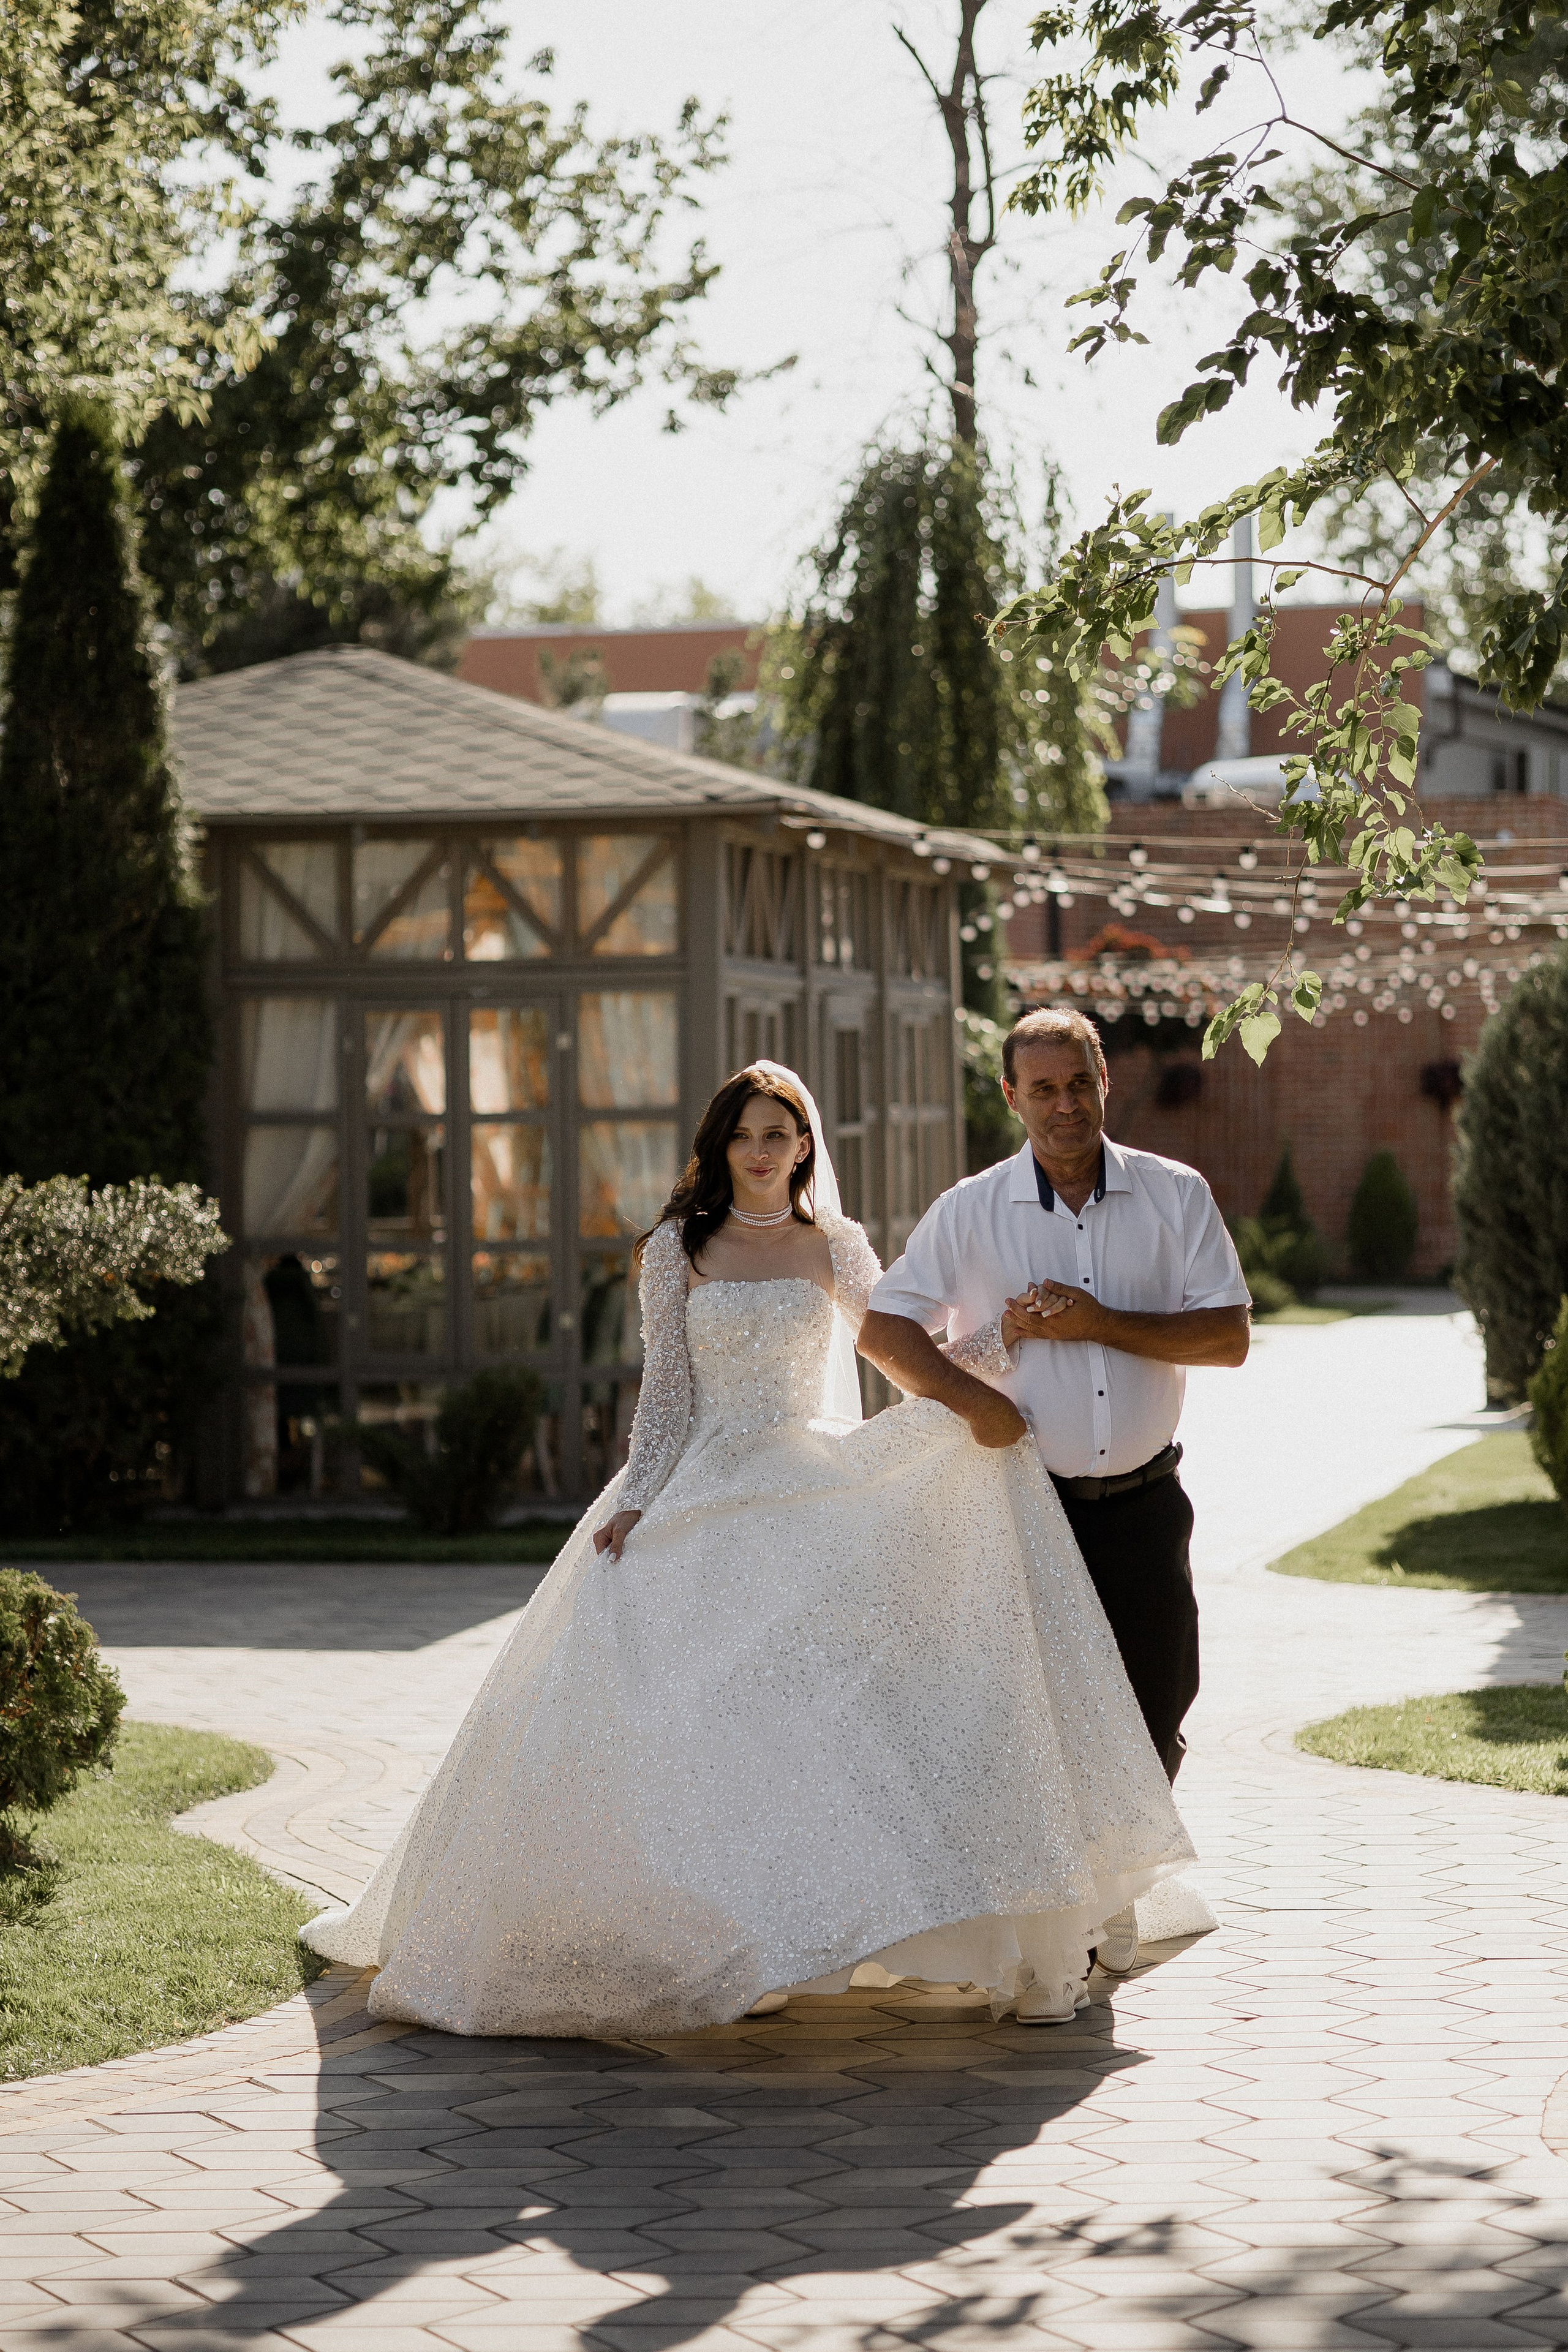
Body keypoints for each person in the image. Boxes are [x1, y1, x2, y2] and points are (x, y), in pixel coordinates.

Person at [301, 1061, 1194, 2032]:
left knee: (812, 1708)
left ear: (804, 1147)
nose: (762, 1152)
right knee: (677, 1704)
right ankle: (718, 1936)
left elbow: (899, 1353)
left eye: (779, 1134)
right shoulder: (678, 1249)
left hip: (803, 1478)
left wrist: (1000, 1347)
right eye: (745, 1136)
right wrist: (639, 1499)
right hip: (702, 1485)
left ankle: (802, 1934)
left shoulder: (834, 1247)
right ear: (721, 1147)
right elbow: (668, 1399)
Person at [859, 1005, 1251, 1976]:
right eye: (1043, 1089)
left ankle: (1113, 1879)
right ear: (1012, 1098)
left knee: (1160, 1707)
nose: (1064, 1105)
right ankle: (1071, 1914)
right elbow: (884, 1330)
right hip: (1025, 1507)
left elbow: (1228, 1335)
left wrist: (1100, 1322)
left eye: (1079, 1084)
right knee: (1036, 1715)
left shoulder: (1174, 1194)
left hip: (1148, 1500)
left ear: (1104, 1082)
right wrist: (970, 1405)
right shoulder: (972, 1210)